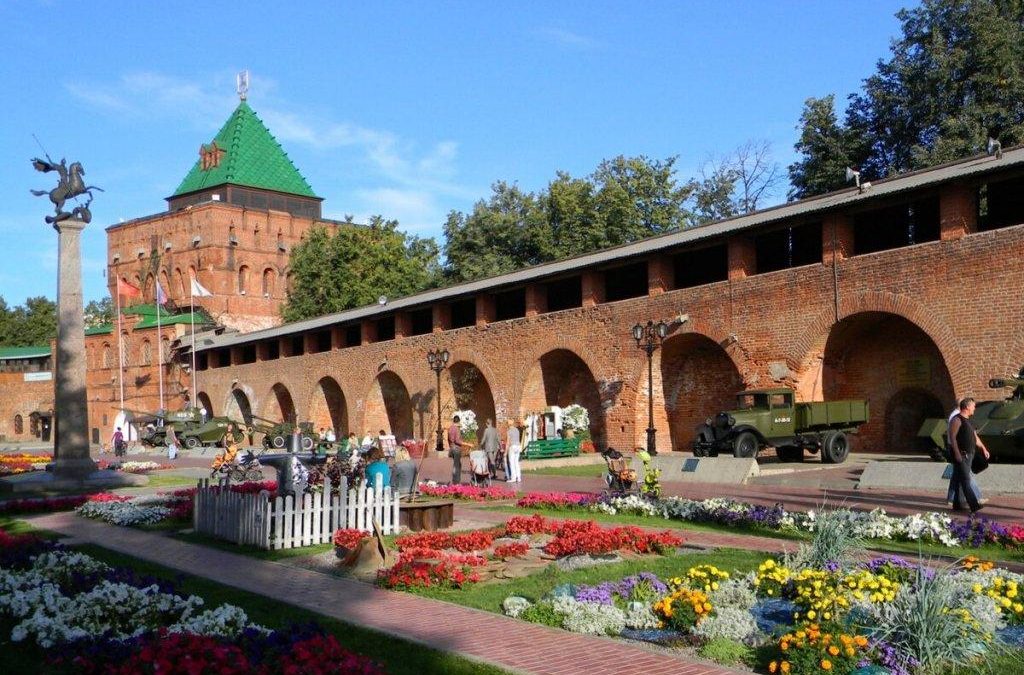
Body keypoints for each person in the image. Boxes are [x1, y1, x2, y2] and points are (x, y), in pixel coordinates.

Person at [949, 397, 988, 513]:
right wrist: (957, 453)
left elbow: (975, 437)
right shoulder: (957, 420)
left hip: (970, 454)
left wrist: (983, 448)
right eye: (973, 406)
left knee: (959, 478)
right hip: (962, 455)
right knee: (966, 479)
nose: (974, 408)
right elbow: (952, 438)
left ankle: (957, 504)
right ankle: (974, 505)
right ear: (967, 407)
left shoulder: (969, 421)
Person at [448, 415, 470, 484]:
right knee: (456, 466)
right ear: (458, 421)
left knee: (457, 464)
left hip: (452, 448)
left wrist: (451, 446)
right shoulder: (456, 429)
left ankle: (456, 480)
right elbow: (457, 441)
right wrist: (467, 444)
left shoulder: (450, 428)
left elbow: (449, 439)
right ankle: (456, 481)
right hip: (456, 449)